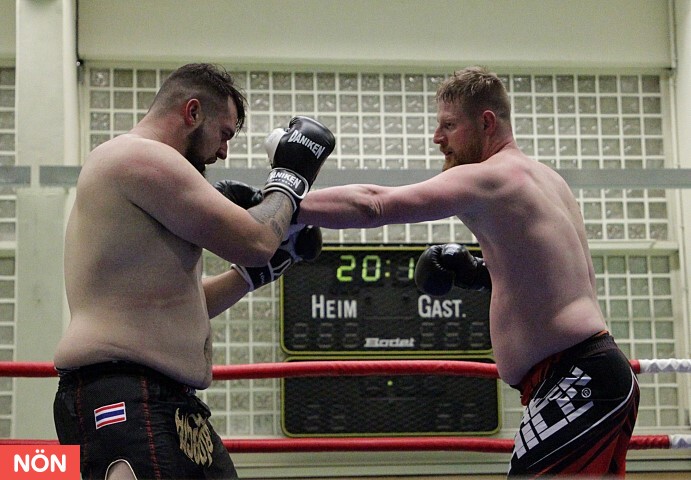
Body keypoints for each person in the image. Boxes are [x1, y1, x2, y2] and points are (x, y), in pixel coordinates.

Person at [298, 66, 639, 477]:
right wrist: (479, 273)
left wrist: (280, 201)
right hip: (592, 373)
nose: (436, 138)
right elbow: (551, 275)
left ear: (486, 122)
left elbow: (374, 204)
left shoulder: (488, 178)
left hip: (577, 378)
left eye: (448, 125)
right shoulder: (548, 179)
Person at [52, 63, 335, 479]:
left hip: (168, 400)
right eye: (225, 134)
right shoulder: (137, 156)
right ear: (192, 112)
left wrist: (253, 275)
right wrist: (290, 178)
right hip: (123, 393)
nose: (223, 152)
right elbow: (255, 241)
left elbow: (185, 301)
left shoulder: (145, 174)